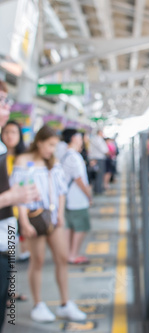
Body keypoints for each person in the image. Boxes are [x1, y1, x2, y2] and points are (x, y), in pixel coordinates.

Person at [11, 124, 87, 323]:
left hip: (53, 217)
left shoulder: (52, 162)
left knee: (61, 258)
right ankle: (38, 304)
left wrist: (60, 214)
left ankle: (65, 303)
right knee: (38, 261)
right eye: (50, 145)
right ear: (39, 142)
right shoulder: (23, 161)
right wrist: (24, 221)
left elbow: (61, 191)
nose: (51, 150)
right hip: (34, 217)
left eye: (54, 146)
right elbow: (18, 195)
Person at [0, 80, 40, 331]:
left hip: (7, 233)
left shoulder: (9, 153)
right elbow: (11, 195)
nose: (6, 108)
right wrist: (10, 198)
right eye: (2, 101)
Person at [61, 129, 92, 265]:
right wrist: (88, 195)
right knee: (81, 227)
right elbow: (79, 179)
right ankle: (73, 254)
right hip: (76, 199)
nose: (82, 139)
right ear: (73, 138)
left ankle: (69, 253)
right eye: (80, 137)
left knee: (71, 227)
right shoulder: (73, 156)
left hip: (69, 198)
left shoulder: (66, 154)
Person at [1, 120, 30, 262]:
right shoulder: (2, 157)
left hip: (21, 207)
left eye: (13, 132)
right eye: (6, 132)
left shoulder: (25, 158)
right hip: (4, 210)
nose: (9, 136)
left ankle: (24, 252)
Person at [88, 129, 108, 194]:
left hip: (93, 159)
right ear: (100, 132)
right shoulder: (99, 140)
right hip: (99, 159)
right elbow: (104, 150)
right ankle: (98, 190)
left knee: (95, 175)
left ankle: (96, 189)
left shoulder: (93, 139)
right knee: (99, 175)